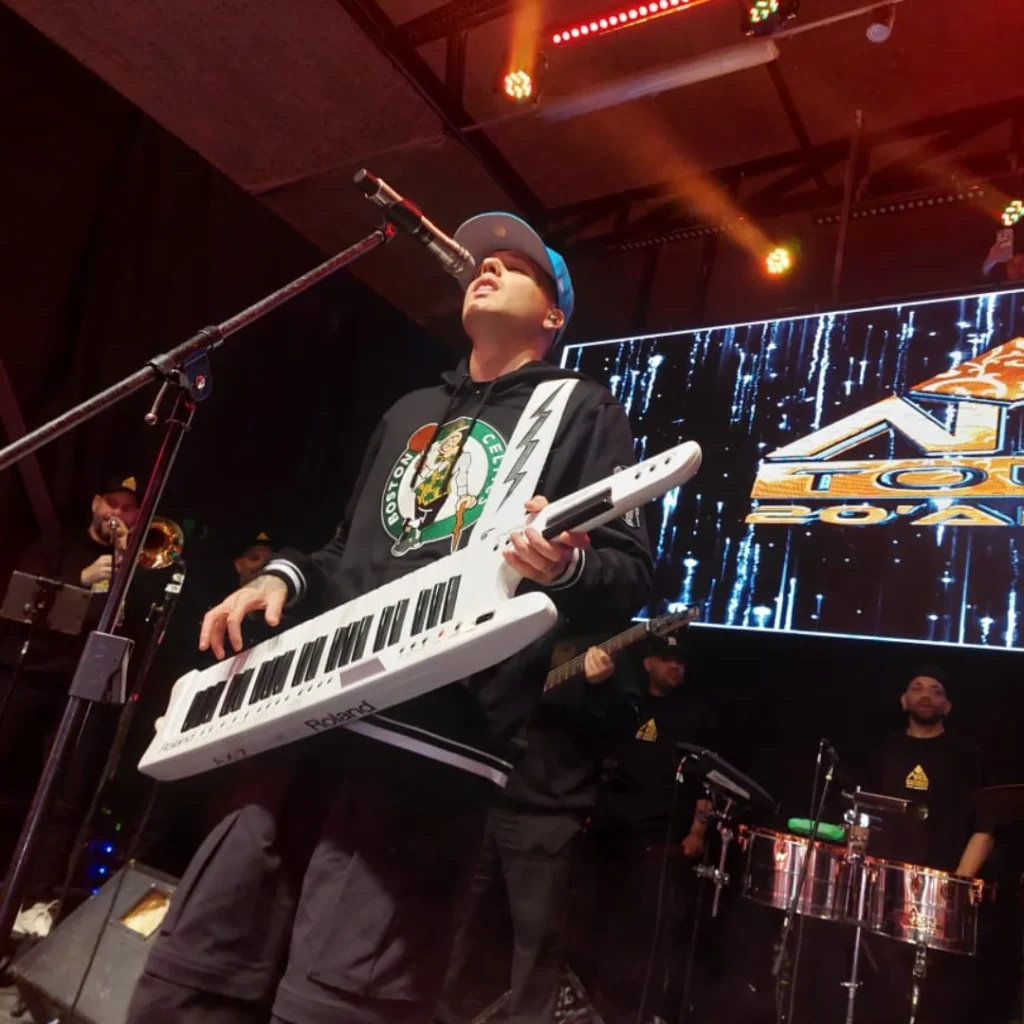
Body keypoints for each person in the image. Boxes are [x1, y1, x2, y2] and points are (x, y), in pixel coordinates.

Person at [125, 212, 654, 1024]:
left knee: (341, 999)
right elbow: (347, 550)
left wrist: (564, 564)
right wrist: (283, 578)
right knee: (204, 966)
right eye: (481, 260)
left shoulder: (580, 409)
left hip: (431, 745)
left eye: (515, 265)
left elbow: (630, 570)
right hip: (299, 718)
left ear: (554, 314)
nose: (486, 267)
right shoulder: (410, 408)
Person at [436, 633, 639, 1024]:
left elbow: (624, 726)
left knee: (537, 939)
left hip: (544, 813)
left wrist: (602, 689)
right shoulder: (513, 618)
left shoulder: (602, 637)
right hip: (477, 793)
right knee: (447, 917)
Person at [0, 474, 142, 934]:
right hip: (27, 676)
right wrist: (81, 581)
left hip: (83, 692)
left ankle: (36, 899)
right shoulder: (56, 546)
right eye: (113, 504)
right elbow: (18, 603)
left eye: (129, 510)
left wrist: (128, 577)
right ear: (96, 503)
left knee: (65, 797)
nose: (118, 515)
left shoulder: (136, 564)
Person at [583, 631, 713, 1024]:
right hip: (608, 831)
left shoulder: (693, 716)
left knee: (643, 932)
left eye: (680, 662)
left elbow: (706, 782)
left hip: (658, 840)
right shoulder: (628, 705)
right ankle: (585, 1003)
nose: (675, 667)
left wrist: (697, 832)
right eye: (667, 660)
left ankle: (633, 1011)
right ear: (647, 663)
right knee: (591, 920)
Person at [859, 666, 994, 1024]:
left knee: (939, 995)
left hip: (944, 891)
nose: (925, 695)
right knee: (883, 988)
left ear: (947, 706)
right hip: (885, 888)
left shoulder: (967, 756)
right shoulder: (883, 749)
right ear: (903, 700)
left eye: (936, 690)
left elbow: (985, 827)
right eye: (917, 688)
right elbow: (861, 813)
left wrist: (956, 887)